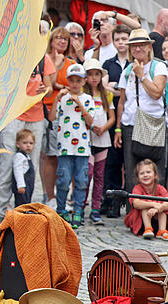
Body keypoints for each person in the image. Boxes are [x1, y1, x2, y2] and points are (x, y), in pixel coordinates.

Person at [0, 21, 54, 218]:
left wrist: (46, 89)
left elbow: (50, 86)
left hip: (36, 117)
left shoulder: (43, 58)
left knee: (32, 166)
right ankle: (0, 212)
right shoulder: (13, 55)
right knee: (6, 164)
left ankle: (27, 209)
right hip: (14, 115)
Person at [114, 28, 168, 193]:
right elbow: (122, 102)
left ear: (149, 47)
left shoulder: (158, 67)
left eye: (142, 45)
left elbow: (157, 93)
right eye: (134, 46)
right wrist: (118, 128)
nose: (138, 49)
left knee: (157, 173)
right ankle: (134, 215)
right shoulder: (127, 70)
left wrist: (142, 75)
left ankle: (157, 214)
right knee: (132, 173)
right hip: (130, 125)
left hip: (154, 125)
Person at [54, 63, 95, 227]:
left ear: (84, 81)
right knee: (63, 180)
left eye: (78, 80)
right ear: (68, 81)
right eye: (72, 80)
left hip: (83, 148)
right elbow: (52, 117)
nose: (75, 84)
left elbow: (90, 122)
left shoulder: (88, 99)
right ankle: (61, 210)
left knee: (81, 181)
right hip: (64, 146)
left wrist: (79, 103)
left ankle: (78, 211)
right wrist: (58, 98)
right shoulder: (63, 98)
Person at [39, 27, 74, 205]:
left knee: (56, 155)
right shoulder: (43, 59)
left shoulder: (70, 63)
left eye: (65, 39)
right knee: (43, 155)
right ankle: (48, 194)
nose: (61, 41)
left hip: (61, 112)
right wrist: (57, 74)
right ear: (51, 40)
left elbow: (73, 88)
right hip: (42, 108)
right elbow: (49, 85)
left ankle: (57, 196)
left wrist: (60, 85)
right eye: (58, 38)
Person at [101, 25, 132, 215]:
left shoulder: (134, 63)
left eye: (124, 39)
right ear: (113, 41)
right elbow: (104, 89)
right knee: (111, 161)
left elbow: (122, 91)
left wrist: (114, 88)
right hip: (112, 116)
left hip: (128, 116)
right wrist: (115, 90)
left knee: (127, 162)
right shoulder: (108, 64)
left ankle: (128, 203)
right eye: (118, 39)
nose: (121, 42)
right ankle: (111, 203)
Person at [84, 58, 115, 224]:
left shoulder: (106, 94)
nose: (94, 78)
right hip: (87, 140)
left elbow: (112, 117)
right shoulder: (83, 94)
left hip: (102, 139)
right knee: (87, 175)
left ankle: (95, 208)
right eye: (91, 74)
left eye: (97, 74)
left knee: (99, 176)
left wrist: (104, 128)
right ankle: (81, 206)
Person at [124, 159, 168, 239]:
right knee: (145, 207)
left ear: (155, 175)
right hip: (141, 222)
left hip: (157, 220)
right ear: (138, 177)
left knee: (163, 210)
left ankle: (162, 231)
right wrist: (153, 204)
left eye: (148, 172)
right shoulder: (137, 188)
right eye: (142, 173)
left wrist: (158, 208)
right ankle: (148, 228)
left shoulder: (160, 188)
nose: (145, 175)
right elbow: (136, 203)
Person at [12, 129, 36, 207]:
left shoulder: (27, 157)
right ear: (18, 144)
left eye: (31, 143)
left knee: (27, 203)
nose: (28, 145)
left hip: (28, 187)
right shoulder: (19, 156)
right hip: (23, 187)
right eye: (25, 143)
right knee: (21, 205)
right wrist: (20, 185)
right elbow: (18, 171)